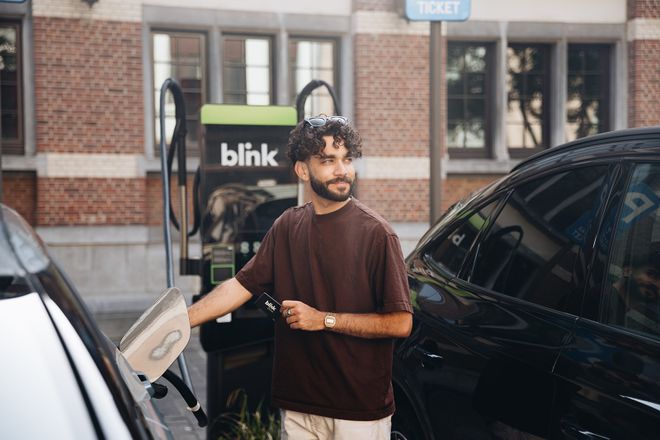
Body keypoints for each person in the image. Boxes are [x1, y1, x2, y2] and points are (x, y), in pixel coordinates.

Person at [188, 114, 413, 439]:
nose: (342, 170)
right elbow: (239, 286)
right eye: (328, 160)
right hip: (299, 405)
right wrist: (179, 324)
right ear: (302, 170)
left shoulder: (377, 234)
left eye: (347, 159)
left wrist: (323, 320)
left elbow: (400, 323)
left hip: (358, 411)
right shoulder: (286, 226)